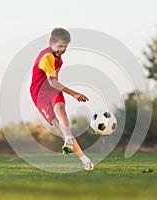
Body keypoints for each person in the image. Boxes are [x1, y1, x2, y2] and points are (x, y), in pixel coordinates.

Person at [30, 27, 94, 170]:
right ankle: (84, 158)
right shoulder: (47, 57)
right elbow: (52, 81)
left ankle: (70, 141)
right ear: (50, 43)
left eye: (65, 46)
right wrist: (74, 93)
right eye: (60, 46)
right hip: (40, 95)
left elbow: (52, 84)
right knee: (59, 126)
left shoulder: (57, 54)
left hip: (52, 89)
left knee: (61, 110)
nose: (63, 49)